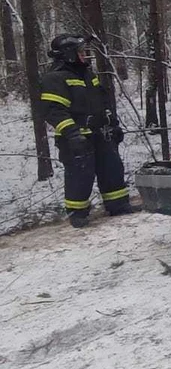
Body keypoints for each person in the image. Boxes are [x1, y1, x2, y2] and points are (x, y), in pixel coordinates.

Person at [40, 34, 137, 227]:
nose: (85, 55)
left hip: (100, 133)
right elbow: (53, 110)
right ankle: (77, 213)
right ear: (68, 55)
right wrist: (73, 133)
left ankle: (118, 205)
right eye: (80, 52)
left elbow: (103, 102)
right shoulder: (55, 79)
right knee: (79, 175)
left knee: (111, 168)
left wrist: (114, 124)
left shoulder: (87, 75)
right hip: (75, 139)